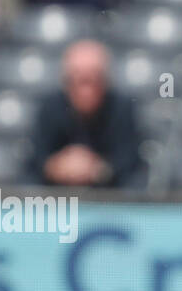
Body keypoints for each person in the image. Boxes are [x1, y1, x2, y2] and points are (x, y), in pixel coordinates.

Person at [28, 40, 143, 188]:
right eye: (79, 80)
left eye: (93, 79)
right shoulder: (49, 107)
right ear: (66, 81)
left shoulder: (122, 109)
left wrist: (98, 170)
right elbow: (37, 159)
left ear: (106, 81)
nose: (86, 90)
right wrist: (58, 167)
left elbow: (129, 161)